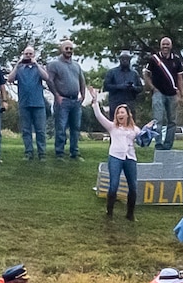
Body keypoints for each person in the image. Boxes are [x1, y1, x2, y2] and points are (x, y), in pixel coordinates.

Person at [87, 86, 140, 220]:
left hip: (130, 158)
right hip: (115, 157)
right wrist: (95, 101)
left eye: (122, 112)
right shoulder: (112, 127)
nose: (120, 115)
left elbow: (143, 138)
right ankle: (109, 212)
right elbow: (99, 116)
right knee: (114, 185)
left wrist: (149, 130)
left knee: (133, 186)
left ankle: (130, 214)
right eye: (118, 113)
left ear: (128, 114)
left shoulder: (135, 129)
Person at [143, 37, 183, 149]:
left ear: (171, 46)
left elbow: (180, 77)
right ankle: (158, 144)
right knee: (158, 119)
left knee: (172, 121)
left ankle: (168, 145)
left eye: (167, 44)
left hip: (172, 93)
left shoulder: (176, 59)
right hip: (158, 93)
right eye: (163, 44)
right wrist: (152, 88)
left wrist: (181, 92)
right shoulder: (154, 59)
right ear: (160, 45)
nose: (165, 46)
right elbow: (146, 74)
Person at [46, 40, 87, 159]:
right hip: (62, 101)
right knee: (61, 127)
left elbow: (82, 81)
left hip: (75, 101)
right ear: (61, 49)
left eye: (71, 48)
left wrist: (83, 95)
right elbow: (49, 80)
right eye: (66, 48)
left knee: (76, 127)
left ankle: (74, 152)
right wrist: (57, 95)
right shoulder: (54, 64)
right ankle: (59, 152)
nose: (69, 51)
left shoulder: (76, 65)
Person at [10, 46, 50, 161]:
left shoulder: (38, 68)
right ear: (23, 54)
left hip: (38, 104)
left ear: (34, 55)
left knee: (40, 130)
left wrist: (36, 64)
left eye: (30, 54)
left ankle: (42, 153)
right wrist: (17, 65)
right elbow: (10, 79)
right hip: (24, 104)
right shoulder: (20, 69)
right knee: (26, 130)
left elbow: (46, 77)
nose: (28, 56)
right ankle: (28, 152)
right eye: (26, 54)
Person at [103, 50, 142, 116]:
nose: (125, 60)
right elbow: (106, 86)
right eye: (123, 58)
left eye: (127, 58)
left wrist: (133, 88)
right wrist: (120, 87)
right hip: (115, 104)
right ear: (120, 59)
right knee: (114, 124)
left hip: (130, 104)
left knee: (130, 125)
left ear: (130, 59)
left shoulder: (134, 73)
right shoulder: (112, 72)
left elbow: (140, 88)